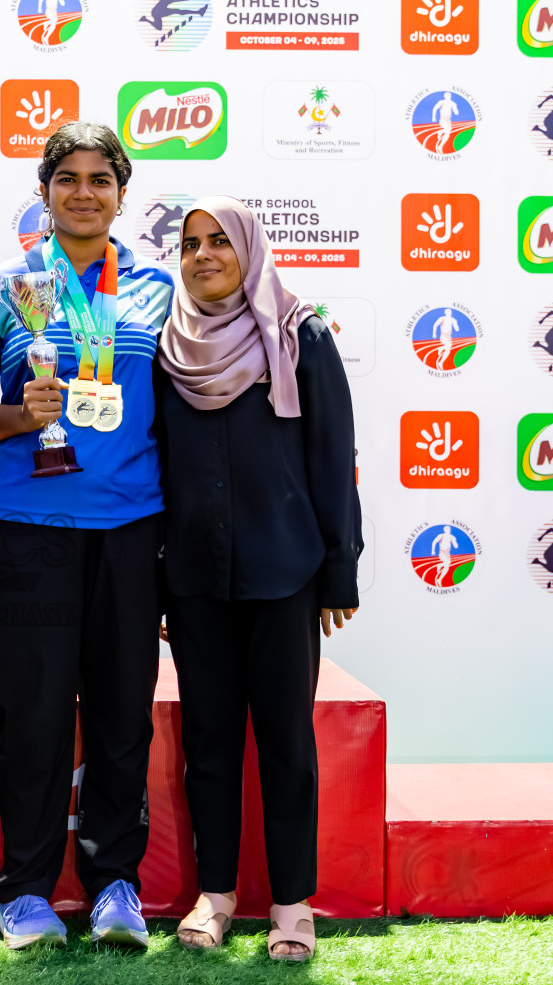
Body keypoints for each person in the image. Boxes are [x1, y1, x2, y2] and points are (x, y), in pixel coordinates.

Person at [0, 122, 172, 950]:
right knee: (34, 716)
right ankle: (26, 893)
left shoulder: (156, 287)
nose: (84, 193)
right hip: (32, 528)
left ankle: (116, 883)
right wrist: (21, 415)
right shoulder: (4, 288)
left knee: (123, 716)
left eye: (100, 180)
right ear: (44, 190)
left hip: (130, 529)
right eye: (67, 178)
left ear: (122, 193)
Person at [155, 197, 362, 962]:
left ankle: (292, 904)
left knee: (284, 743)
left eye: (219, 242)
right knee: (208, 741)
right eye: (189, 244)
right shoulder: (167, 349)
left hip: (286, 574)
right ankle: (216, 896)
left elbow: (333, 457)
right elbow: (157, 469)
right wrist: (159, 578)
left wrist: (339, 568)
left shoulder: (299, 334)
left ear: (250, 248)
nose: (204, 255)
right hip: (195, 580)